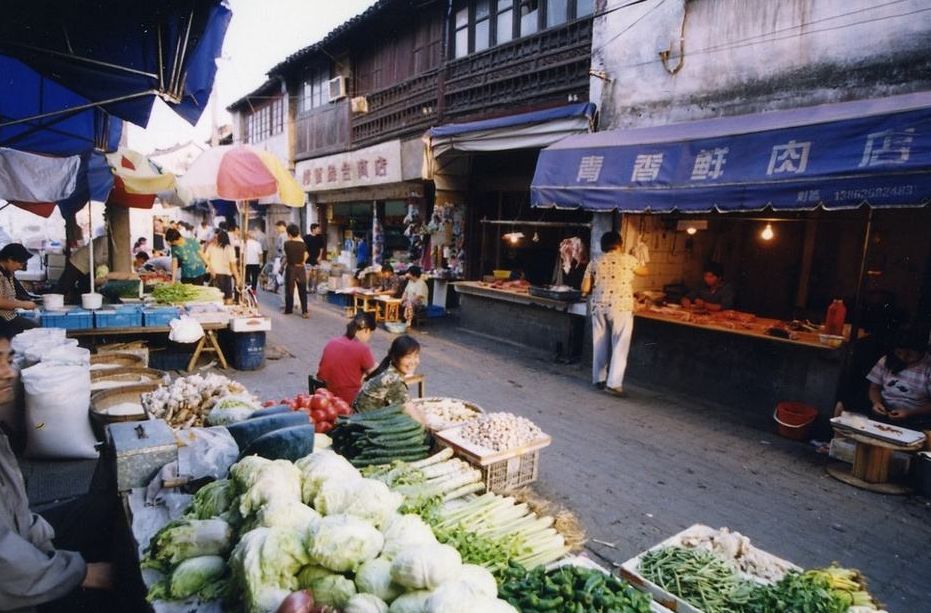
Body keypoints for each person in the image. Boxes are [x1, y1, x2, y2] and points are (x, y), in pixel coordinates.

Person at [0, 326, 117, 612]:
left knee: (103, 508)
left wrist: (45, 544)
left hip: (21, 540)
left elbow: (17, 513)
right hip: (13, 588)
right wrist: (85, 573)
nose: (10, 373)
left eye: (7, 360)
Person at [581, 231, 647, 396]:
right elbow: (645, 272)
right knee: (620, 344)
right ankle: (613, 384)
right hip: (621, 306)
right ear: (620, 244)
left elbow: (584, 288)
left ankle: (599, 379)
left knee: (599, 342)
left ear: (603, 246)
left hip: (599, 305)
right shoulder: (629, 260)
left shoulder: (595, 261)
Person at [867, 329, 931, 428]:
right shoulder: (887, 360)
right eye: (899, 353)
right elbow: (874, 388)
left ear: (921, 351)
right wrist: (876, 403)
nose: (903, 358)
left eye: (909, 355)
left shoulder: (928, 367)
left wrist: (909, 413)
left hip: (917, 418)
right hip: (885, 412)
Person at [317, 312, 377, 405]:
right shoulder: (362, 349)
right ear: (366, 330)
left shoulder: (332, 342)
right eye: (370, 334)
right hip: (346, 401)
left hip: (324, 396)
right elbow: (376, 375)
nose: (369, 338)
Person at [353, 335, 420, 412]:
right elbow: (412, 413)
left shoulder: (387, 371)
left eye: (416, 356)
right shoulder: (392, 380)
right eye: (408, 357)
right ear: (395, 358)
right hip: (364, 421)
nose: (413, 362)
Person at [56, 235, 108, 303]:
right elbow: (97, 259)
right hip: (77, 262)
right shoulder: (104, 240)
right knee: (63, 287)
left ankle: (77, 303)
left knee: (85, 288)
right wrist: (109, 260)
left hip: (87, 268)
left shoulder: (112, 243)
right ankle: (54, 303)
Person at [0, 244, 38, 335]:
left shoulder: (8, 272)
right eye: (20, 264)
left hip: (10, 316)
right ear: (9, 260)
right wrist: (22, 304)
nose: (21, 267)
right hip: (3, 319)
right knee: (34, 331)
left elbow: (10, 296)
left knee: (35, 327)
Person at [203, 230, 238, 303]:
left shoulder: (211, 247)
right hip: (223, 275)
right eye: (214, 237)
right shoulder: (229, 248)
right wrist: (237, 278)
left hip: (217, 275)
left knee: (218, 299)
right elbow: (233, 265)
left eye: (216, 238)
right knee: (227, 298)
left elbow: (205, 258)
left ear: (221, 238)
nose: (214, 239)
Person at [283, 224, 309, 318]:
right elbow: (306, 255)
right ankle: (305, 311)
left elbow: (287, 256)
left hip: (291, 268)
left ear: (289, 234)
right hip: (301, 268)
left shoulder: (286, 244)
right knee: (302, 290)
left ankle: (288, 309)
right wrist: (302, 261)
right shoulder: (302, 244)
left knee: (290, 290)